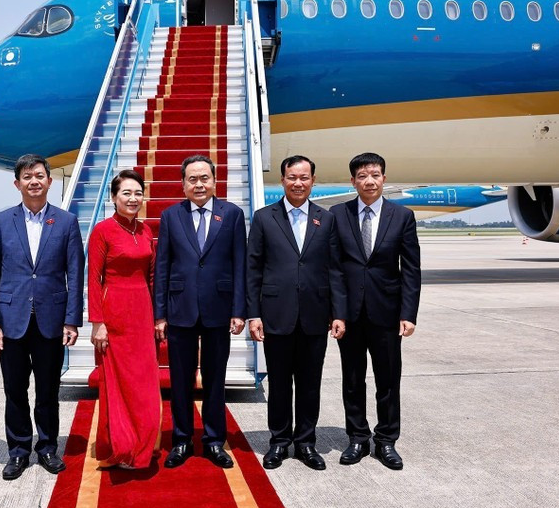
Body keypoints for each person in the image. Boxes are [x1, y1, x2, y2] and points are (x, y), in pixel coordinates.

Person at [0, 154, 84, 480]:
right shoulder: (1, 221)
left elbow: (75, 274)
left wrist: (71, 320)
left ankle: (48, 448)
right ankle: (18, 451)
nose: (34, 181)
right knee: (14, 391)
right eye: (27, 177)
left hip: (50, 320)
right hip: (10, 321)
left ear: (49, 181)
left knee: (48, 391)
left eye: (39, 175)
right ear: (17, 183)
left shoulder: (66, 222)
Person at [246, 155, 347, 471]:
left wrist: (338, 313)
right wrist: (253, 314)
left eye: (304, 177)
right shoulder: (264, 218)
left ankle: (305, 442)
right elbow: (253, 269)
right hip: (276, 314)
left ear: (313, 181)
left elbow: (335, 269)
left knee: (309, 384)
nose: (298, 183)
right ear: (282, 180)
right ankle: (279, 442)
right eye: (292, 177)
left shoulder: (326, 219)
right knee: (278, 384)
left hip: (315, 316)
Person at [154, 154, 247, 469]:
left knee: (215, 379)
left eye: (204, 178)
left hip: (218, 308)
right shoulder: (171, 215)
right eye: (192, 179)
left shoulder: (232, 214)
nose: (199, 184)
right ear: (183, 184)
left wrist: (239, 310)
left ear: (214, 181)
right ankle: (181, 440)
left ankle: (214, 441)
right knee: (180, 380)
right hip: (180, 308)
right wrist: (160, 314)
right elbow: (162, 266)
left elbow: (239, 264)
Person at [330, 152, 421, 470]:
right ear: (353, 181)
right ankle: (357, 438)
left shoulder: (402, 216)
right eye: (362, 176)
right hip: (350, 316)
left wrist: (408, 313)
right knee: (353, 379)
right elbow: (334, 268)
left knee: (388, 380)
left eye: (375, 175)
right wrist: (337, 312)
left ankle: (386, 440)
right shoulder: (338, 214)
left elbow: (411, 269)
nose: (369, 181)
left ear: (384, 178)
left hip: (388, 313)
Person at [87, 170, 161, 469]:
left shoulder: (145, 231)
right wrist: (97, 322)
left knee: (143, 383)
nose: (133, 199)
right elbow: (94, 279)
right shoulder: (102, 231)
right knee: (118, 384)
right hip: (114, 312)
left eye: (137, 193)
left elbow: (152, 277)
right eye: (126, 193)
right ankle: (122, 446)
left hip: (142, 312)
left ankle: (143, 444)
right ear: (114, 197)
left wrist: (157, 317)